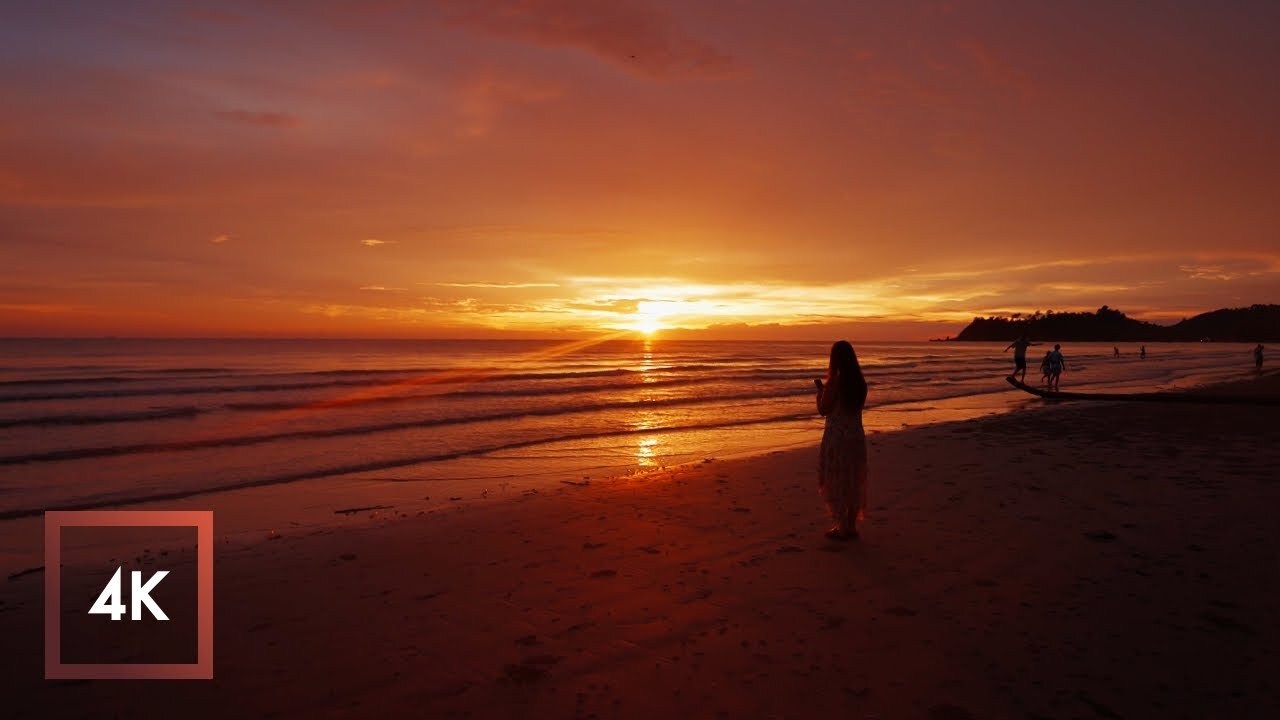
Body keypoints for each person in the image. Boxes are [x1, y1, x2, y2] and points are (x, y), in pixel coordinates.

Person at [814, 340, 869, 541]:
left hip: (837, 438)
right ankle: (851, 526)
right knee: (853, 479)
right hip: (855, 437)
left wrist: (820, 392)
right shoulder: (860, 383)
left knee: (835, 479)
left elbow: (824, 409)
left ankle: (841, 526)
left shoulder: (835, 382)